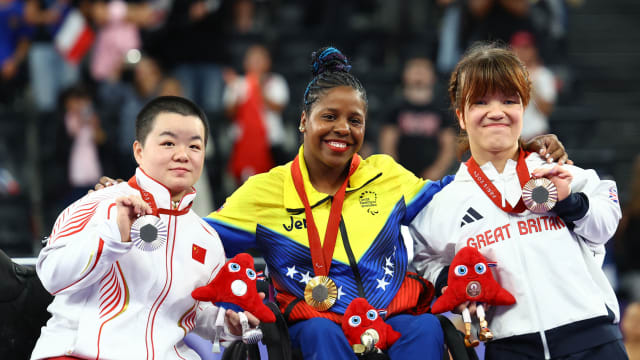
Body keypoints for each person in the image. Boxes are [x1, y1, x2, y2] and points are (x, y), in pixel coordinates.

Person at [95, 47, 570, 359]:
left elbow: (458, 192)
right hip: (320, 324)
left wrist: (522, 154)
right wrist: (137, 202)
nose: (343, 128)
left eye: (355, 119)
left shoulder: (384, 172)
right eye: (329, 117)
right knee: (320, 335)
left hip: (392, 315)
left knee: (425, 331)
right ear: (303, 121)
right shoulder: (265, 190)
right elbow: (193, 231)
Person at [410, 42, 626, 360]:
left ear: (523, 109)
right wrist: (449, 278)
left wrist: (571, 203)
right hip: (510, 348)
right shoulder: (445, 201)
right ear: (460, 115)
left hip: (591, 338)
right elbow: (420, 260)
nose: (496, 111)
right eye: (480, 101)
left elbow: (606, 221)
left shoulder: (555, 169)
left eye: (509, 101)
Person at [31, 96, 257, 360]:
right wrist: (114, 234)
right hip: (79, 354)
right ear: (139, 150)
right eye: (168, 143)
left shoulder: (206, 238)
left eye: (195, 146)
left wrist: (226, 324)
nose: (182, 155)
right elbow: (51, 276)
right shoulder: (100, 203)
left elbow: (193, 313)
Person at [379, 56, 456, 181]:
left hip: (432, 178)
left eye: (424, 69)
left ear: (433, 76)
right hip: (400, 176)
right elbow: (387, 144)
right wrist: (395, 171)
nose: (419, 73)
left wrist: (437, 170)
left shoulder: (442, 109)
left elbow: (448, 146)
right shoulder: (394, 107)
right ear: (404, 75)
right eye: (414, 68)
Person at [510, 30, 557, 141]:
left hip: (535, 136)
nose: (522, 52)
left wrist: (529, 83)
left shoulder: (544, 75)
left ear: (534, 50)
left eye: (526, 48)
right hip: (511, 139)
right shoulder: (504, 76)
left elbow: (547, 110)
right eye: (518, 48)